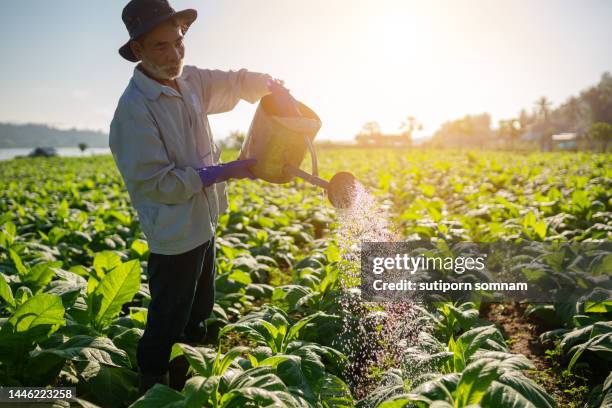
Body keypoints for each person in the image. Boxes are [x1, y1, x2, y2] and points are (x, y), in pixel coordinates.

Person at [109, 0, 291, 393]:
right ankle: (152, 387)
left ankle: (185, 377)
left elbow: (234, 82)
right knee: (168, 318)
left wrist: (269, 84)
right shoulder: (134, 111)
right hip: (174, 234)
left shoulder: (190, 81)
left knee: (200, 309)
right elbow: (157, 183)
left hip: (204, 221)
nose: (174, 54)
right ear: (138, 51)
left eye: (178, 42)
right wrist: (221, 172)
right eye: (161, 46)